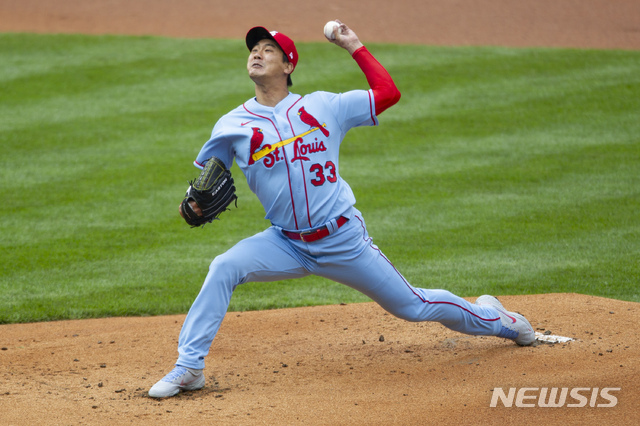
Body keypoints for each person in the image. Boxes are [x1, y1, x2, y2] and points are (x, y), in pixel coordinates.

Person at [148, 21, 535, 398]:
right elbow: (202, 184)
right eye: (253, 50)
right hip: (285, 243)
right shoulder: (232, 125)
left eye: (269, 50)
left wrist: (353, 45)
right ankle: (190, 367)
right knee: (224, 267)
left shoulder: (324, 106)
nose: (257, 54)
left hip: (342, 239)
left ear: (288, 66)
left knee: (414, 306)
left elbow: (388, 92)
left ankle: (501, 320)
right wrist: (192, 208)